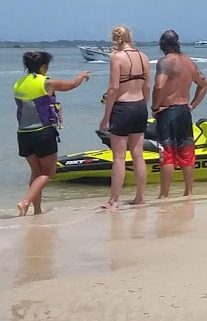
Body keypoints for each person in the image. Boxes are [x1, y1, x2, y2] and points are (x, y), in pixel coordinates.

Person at [12, 50, 91, 217]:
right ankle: (25, 202)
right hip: (43, 132)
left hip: (23, 134)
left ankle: (37, 210)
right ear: (42, 67)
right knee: (48, 172)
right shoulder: (47, 83)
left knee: (36, 172)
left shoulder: (18, 84)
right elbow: (71, 85)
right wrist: (81, 75)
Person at [152, 30, 207, 200]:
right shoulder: (188, 62)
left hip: (168, 111)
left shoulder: (164, 62)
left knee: (167, 154)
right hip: (184, 110)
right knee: (186, 153)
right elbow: (204, 84)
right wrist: (192, 105)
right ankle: (189, 192)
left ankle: (164, 195)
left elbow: (159, 87)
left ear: (162, 45)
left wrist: (155, 107)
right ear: (178, 43)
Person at [99, 25, 151, 209]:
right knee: (138, 155)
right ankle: (140, 197)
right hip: (139, 106)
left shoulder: (116, 57)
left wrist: (106, 117)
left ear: (115, 39)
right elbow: (147, 87)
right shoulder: (144, 57)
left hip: (122, 108)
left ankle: (114, 201)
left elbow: (113, 88)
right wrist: (143, 106)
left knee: (119, 158)